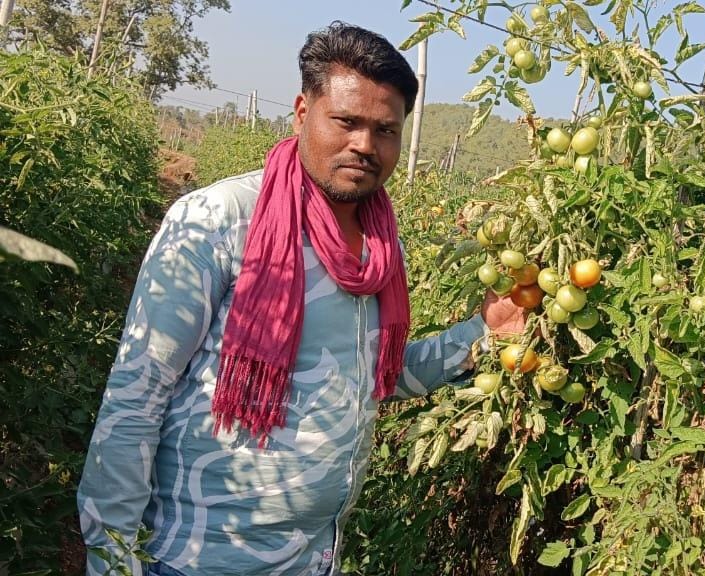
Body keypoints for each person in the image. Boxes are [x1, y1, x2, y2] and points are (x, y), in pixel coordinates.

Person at [78, 22, 524, 576]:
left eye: (385, 130)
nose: (365, 144)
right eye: (346, 121)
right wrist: (114, 559)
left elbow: (374, 376)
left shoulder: (382, 249)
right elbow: (134, 401)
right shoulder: (216, 222)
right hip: (199, 558)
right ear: (301, 111)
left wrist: (480, 334)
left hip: (315, 557)